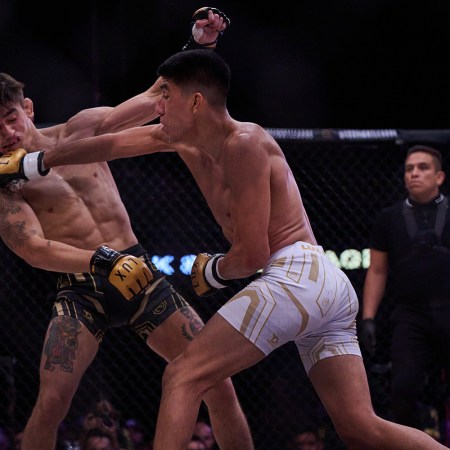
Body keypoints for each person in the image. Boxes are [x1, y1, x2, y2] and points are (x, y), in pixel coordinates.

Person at [2, 50, 448, 450]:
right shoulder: (182, 139)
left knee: (184, 375)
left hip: (291, 274)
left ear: (195, 102)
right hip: (317, 285)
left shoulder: (245, 142)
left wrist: (213, 270)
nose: (157, 108)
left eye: (167, 98)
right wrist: (39, 162)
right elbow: (108, 148)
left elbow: (253, 256)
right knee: (361, 428)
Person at [0, 9, 253, 450]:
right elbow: (33, 248)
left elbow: (156, 97)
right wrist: (102, 260)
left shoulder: (82, 130)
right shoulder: (7, 184)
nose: (6, 132)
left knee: (218, 383)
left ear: (28, 109)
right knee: (52, 402)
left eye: (10, 117)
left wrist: (198, 46)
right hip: (81, 288)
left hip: (140, 276)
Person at [360, 145, 450, 434]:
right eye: (409, 169)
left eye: (422, 168)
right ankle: (411, 442)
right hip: (411, 313)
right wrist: (368, 317)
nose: (414, 173)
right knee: (403, 386)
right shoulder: (388, 218)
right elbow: (377, 270)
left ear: (439, 177)